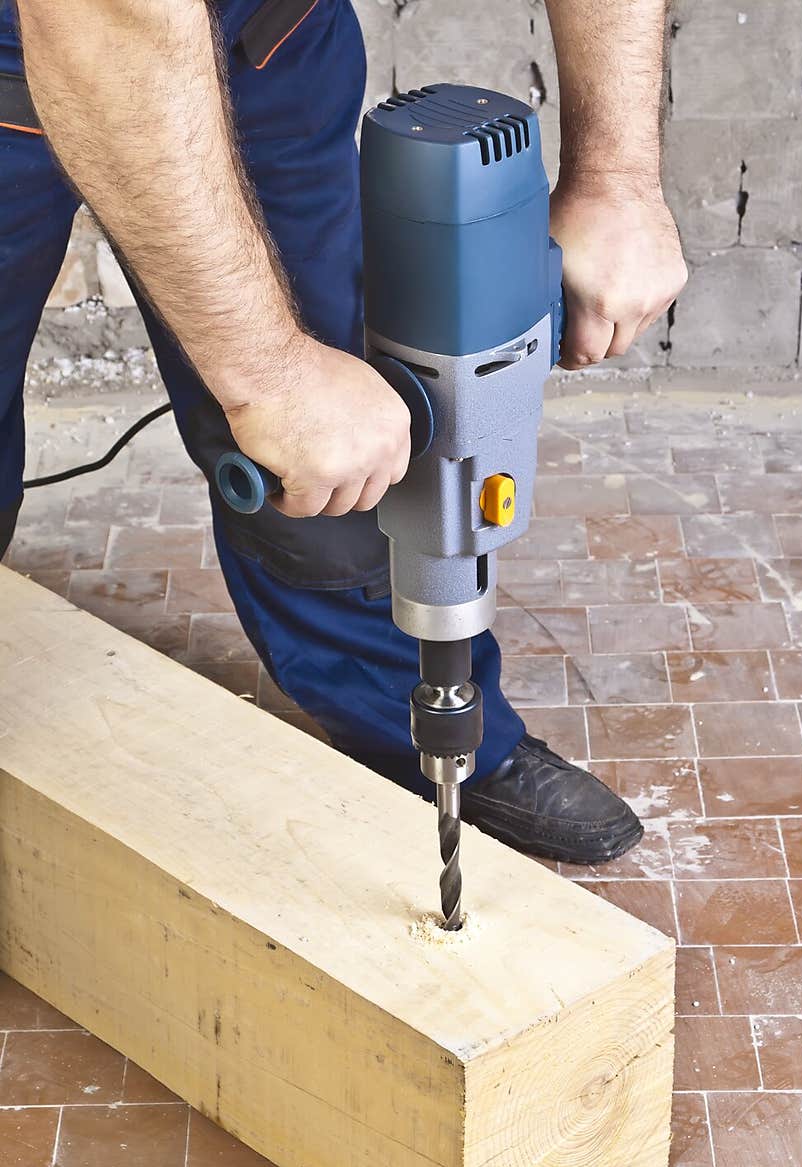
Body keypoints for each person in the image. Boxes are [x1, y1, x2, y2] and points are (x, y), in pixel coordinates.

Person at [0, 0, 687, 863]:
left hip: (259, 40)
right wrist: (270, 379)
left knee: (348, 473)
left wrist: (615, 177)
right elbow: (106, 19)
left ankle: (421, 724)